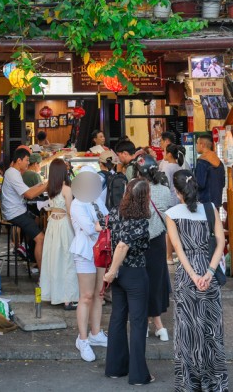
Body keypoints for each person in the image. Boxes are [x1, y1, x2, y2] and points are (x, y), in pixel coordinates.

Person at [166, 170, 229, 391]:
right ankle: (215, 383)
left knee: (187, 332)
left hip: (187, 275)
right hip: (208, 272)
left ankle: (189, 384)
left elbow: (177, 249)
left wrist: (193, 275)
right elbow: (221, 242)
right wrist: (209, 273)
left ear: (177, 191)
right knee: (212, 330)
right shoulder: (211, 209)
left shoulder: (171, 213)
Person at [103, 179, 154, 385]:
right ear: (145, 197)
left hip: (119, 276)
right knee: (138, 323)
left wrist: (113, 272)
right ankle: (138, 375)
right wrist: (112, 271)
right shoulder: (140, 219)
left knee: (117, 318)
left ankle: (115, 368)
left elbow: (101, 225)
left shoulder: (115, 212)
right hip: (134, 273)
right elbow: (123, 245)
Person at [69, 165, 108, 362]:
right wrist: (104, 225)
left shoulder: (97, 201)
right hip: (85, 253)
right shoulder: (76, 205)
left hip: (101, 251)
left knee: (99, 295)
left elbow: (107, 221)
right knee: (85, 296)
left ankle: (95, 333)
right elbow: (90, 228)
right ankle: (82, 339)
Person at [1, 147, 49, 272]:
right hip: (15, 213)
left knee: (38, 220)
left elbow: (25, 191)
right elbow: (29, 195)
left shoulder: (14, 172)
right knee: (41, 238)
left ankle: (31, 257)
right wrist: (46, 185)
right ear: (19, 160)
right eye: (27, 160)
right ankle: (42, 275)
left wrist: (39, 185)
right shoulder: (12, 173)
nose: (28, 163)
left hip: (17, 210)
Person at [40, 159, 78, 309]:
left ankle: (53, 293)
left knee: (53, 259)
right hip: (63, 224)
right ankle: (68, 298)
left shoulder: (51, 187)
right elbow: (70, 211)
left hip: (52, 225)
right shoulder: (66, 189)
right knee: (67, 260)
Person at [144, 165, 175, 342]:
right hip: (160, 241)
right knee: (157, 282)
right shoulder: (165, 190)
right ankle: (157, 326)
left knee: (145, 282)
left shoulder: (138, 188)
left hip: (142, 240)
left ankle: (155, 324)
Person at [194, 134, 225, 208]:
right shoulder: (219, 162)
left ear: (202, 145)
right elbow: (223, 183)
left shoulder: (202, 162)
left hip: (204, 203)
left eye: (197, 143)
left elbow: (200, 184)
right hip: (217, 202)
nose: (196, 145)